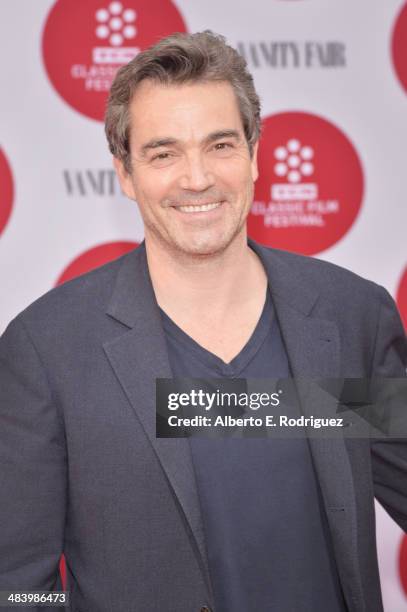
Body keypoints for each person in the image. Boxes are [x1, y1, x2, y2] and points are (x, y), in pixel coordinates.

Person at [0, 31, 406, 612]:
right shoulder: (49, 351)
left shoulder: (349, 317)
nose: (197, 178)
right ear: (125, 173)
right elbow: (13, 584)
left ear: (255, 155)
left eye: (219, 145)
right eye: (164, 153)